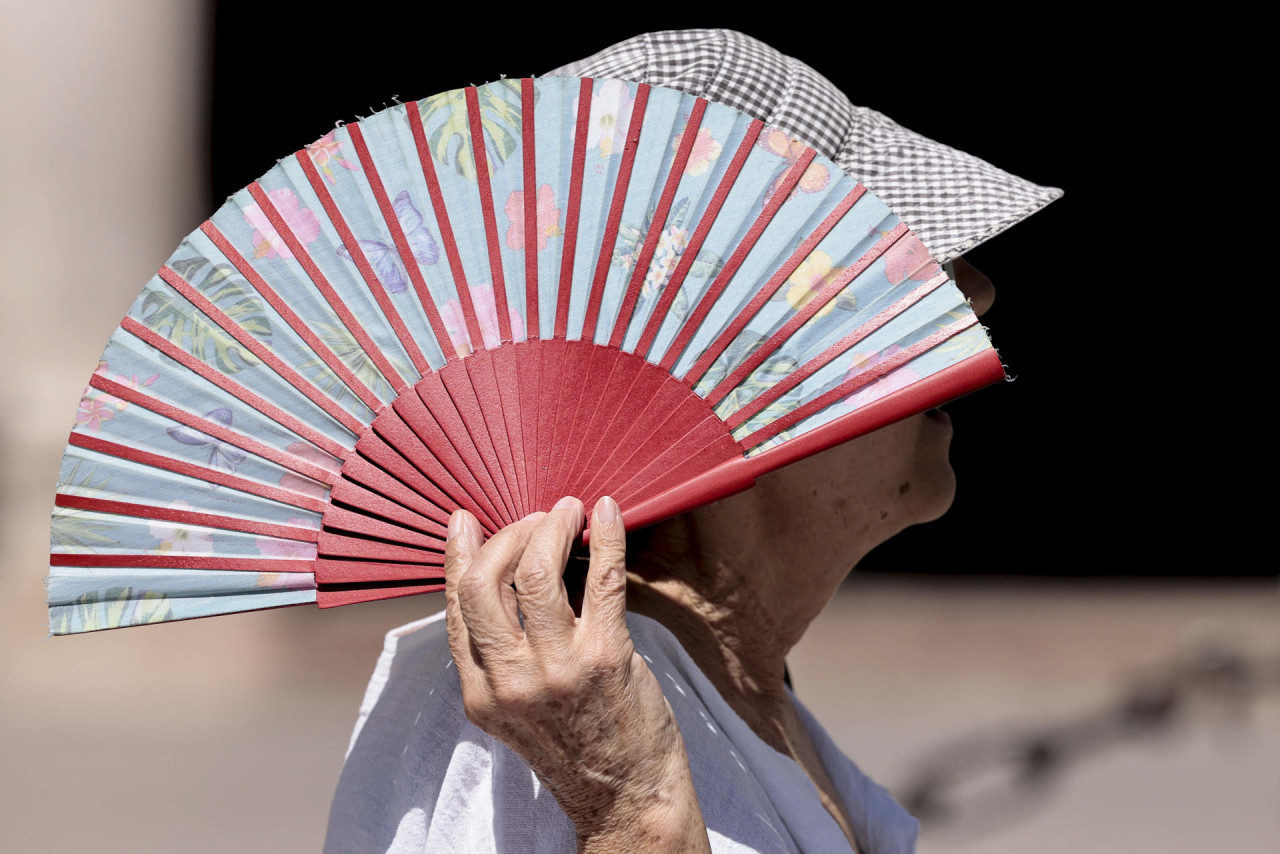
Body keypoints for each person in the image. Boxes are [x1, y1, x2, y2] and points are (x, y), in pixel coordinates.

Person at [323, 30, 1059, 854]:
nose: (978, 293)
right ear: (727, 370)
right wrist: (630, 812)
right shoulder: (527, 726)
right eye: (893, 272)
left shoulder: (734, 695)